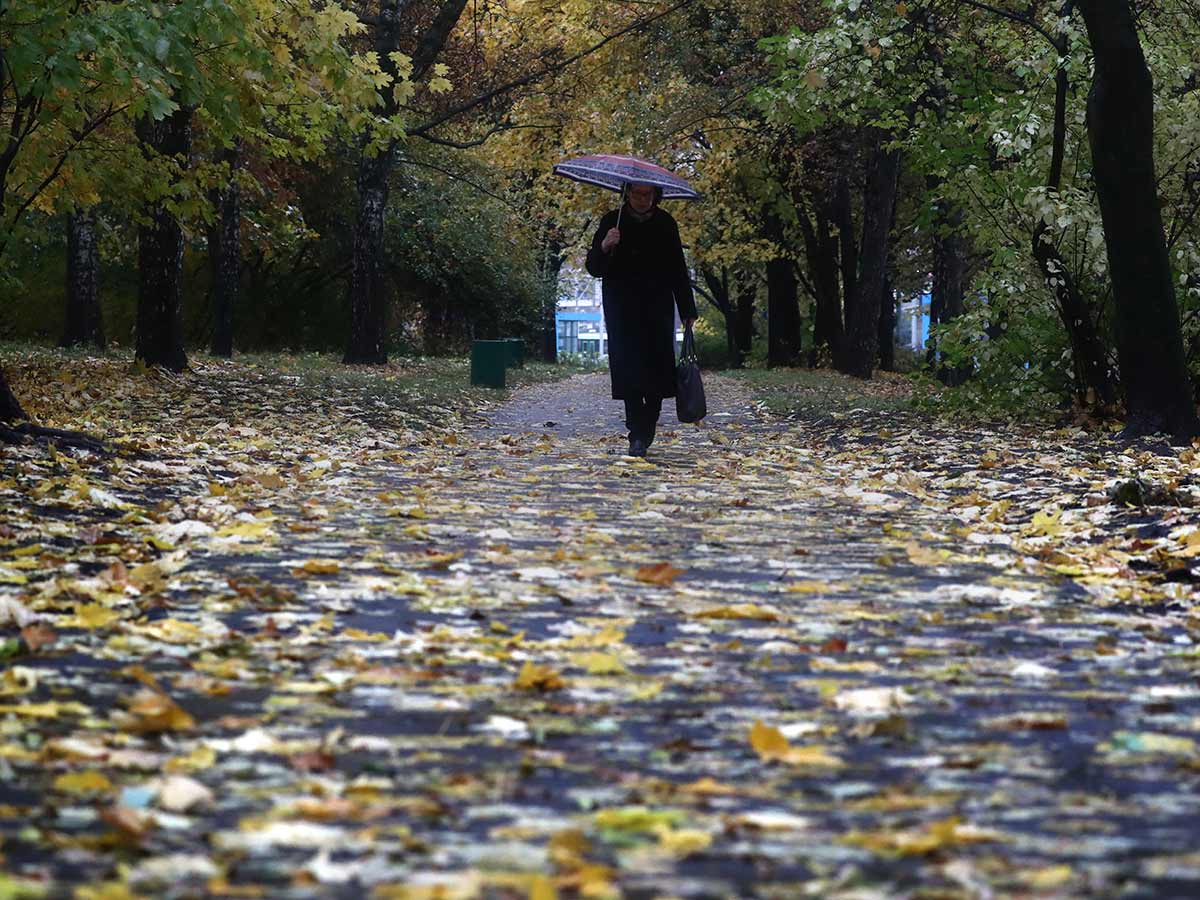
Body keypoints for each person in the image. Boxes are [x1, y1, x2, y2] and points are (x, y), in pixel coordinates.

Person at [585, 182, 697, 457]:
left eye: (648, 194)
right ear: (627, 194)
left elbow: (677, 268)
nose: (643, 199)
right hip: (622, 307)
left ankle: (648, 423)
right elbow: (594, 268)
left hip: (656, 306)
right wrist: (605, 245)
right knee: (629, 369)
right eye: (637, 193)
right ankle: (637, 433)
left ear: (656, 196)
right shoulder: (613, 221)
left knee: (658, 369)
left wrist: (687, 309)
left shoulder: (665, 223)